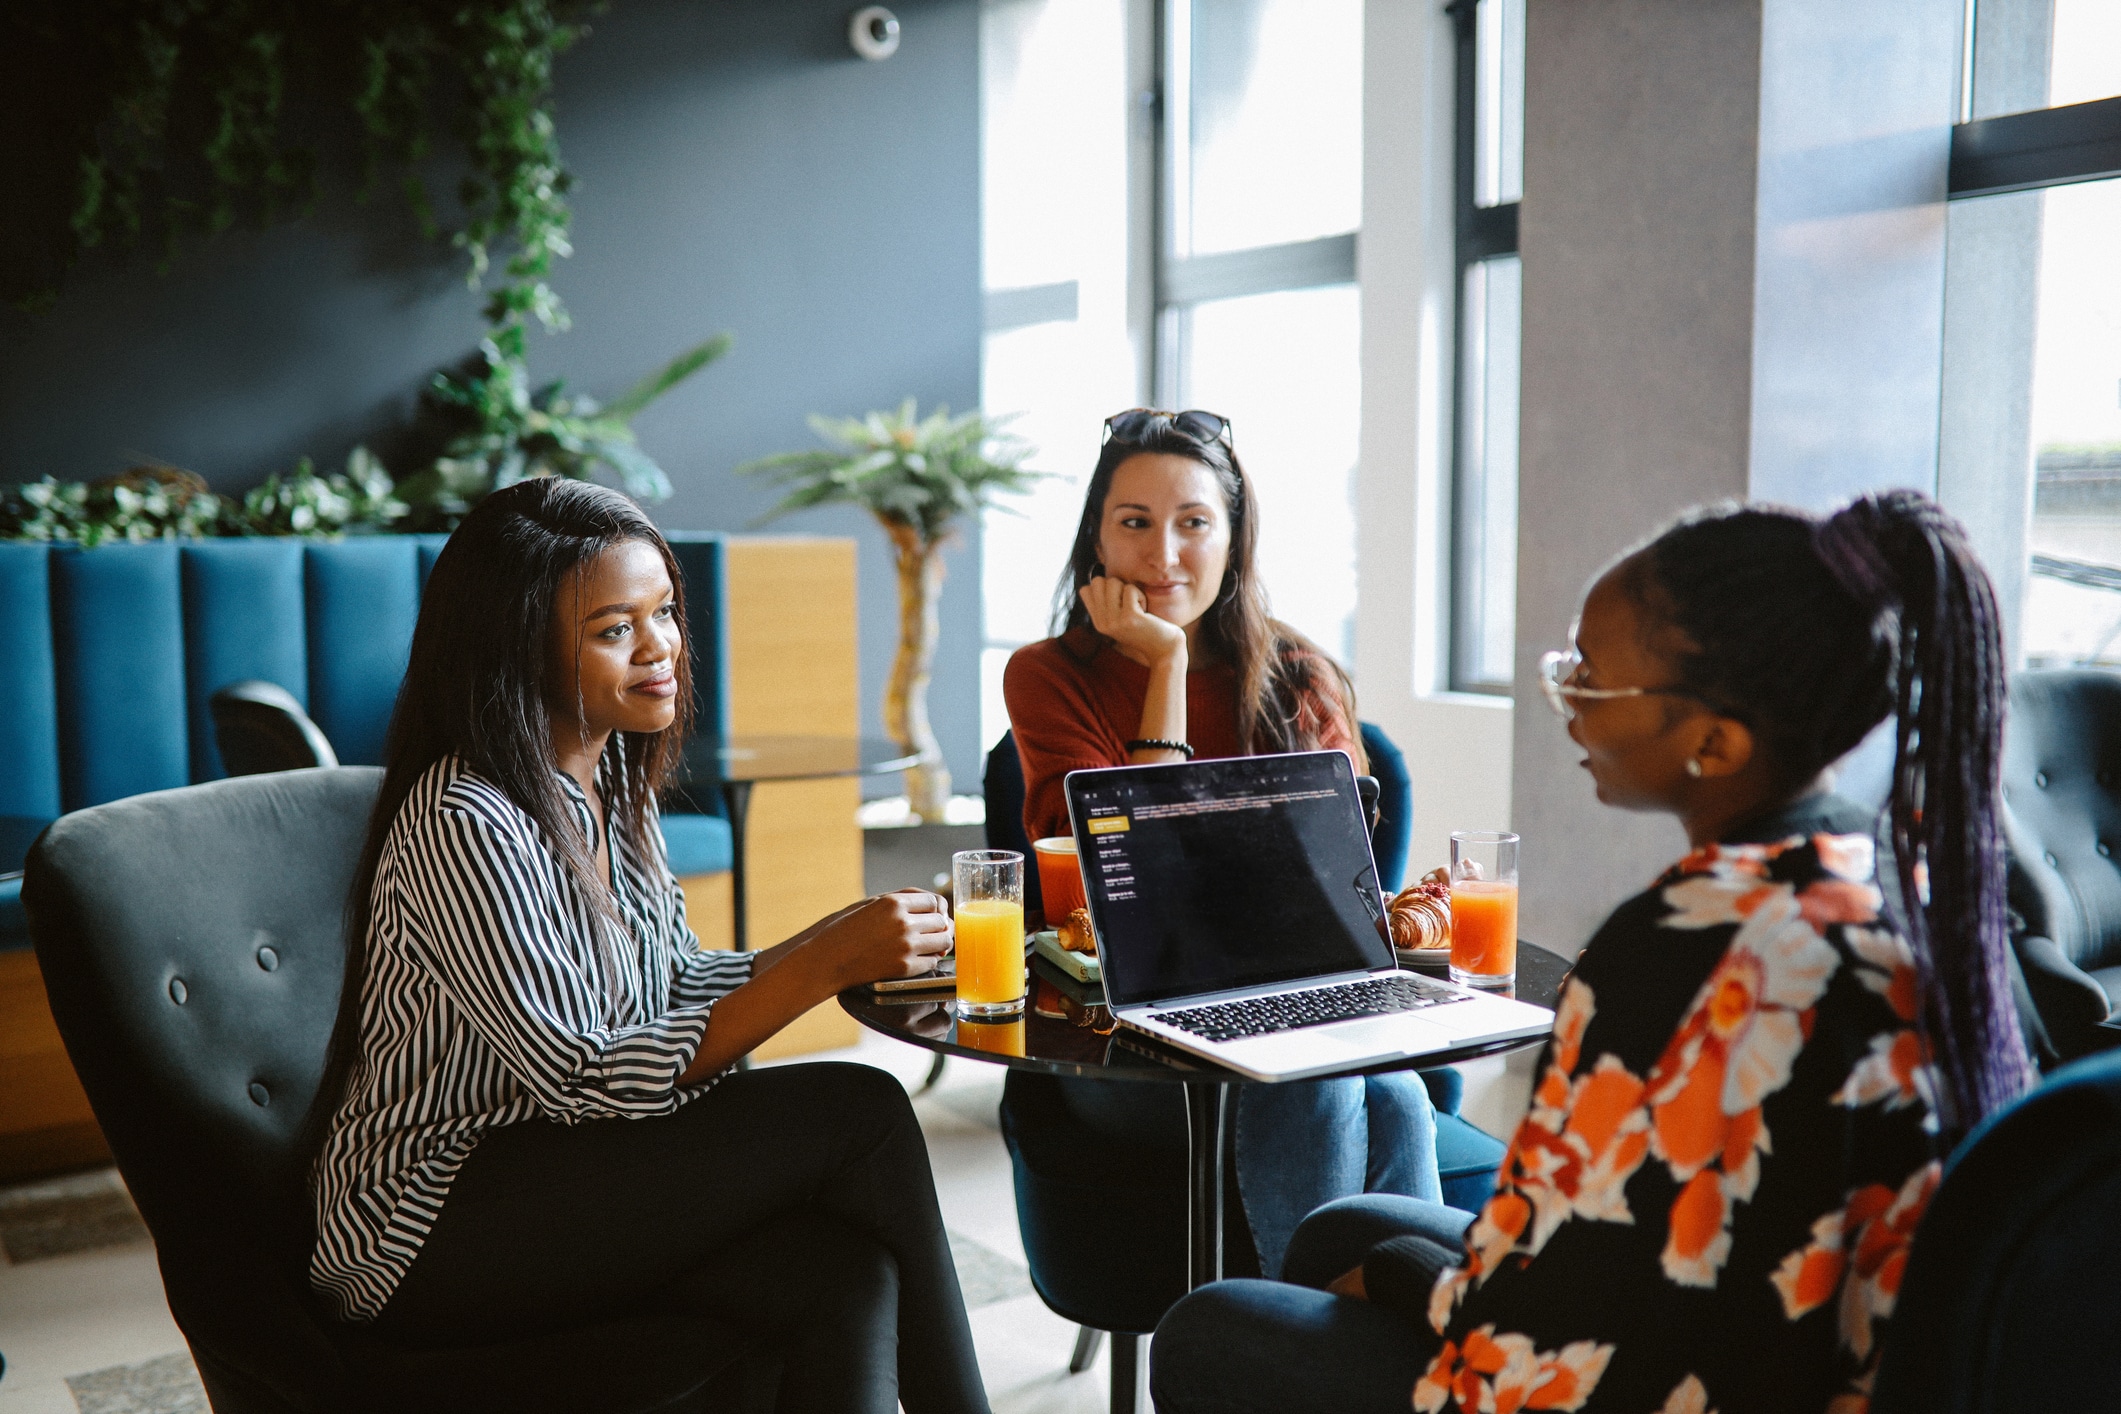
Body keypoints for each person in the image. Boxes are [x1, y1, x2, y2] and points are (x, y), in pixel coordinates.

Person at [1150, 490, 2033, 1414]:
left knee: (1208, 1328)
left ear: (1714, 740)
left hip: (1691, 1379)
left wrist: (1411, 1285)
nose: (1565, 698)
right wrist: (1404, 1274)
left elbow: (1561, 1302)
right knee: (1343, 1233)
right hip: (1814, 1331)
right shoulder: (1899, 878)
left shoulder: (1687, 944)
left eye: (1590, 679)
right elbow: (1621, 1234)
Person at [308, 479, 989, 1414]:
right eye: (612, 628)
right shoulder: (467, 817)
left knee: (839, 1273)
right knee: (858, 1109)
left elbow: (673, 983)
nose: (662, 645)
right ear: (517, 646)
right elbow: (585, 1075)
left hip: (564, 1166)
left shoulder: (604, 780)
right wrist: (822, 967)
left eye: (663, 611)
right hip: (428, 1224)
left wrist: (846, 935)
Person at [1003, 407, 1442, 1279]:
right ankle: (1303, 1354)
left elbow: (1333, 878)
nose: (1163, 555)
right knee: (1333, 1082)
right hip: (1130, 1043)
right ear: (1096, 535)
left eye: (1193, 524)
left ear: (1233, 538)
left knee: (1392, 1092)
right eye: (1134, 523)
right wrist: (1165, 665)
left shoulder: (1299, 675)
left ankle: (1385, 1359)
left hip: (1295, 1010)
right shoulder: (1047, 675)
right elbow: (1112, 889)